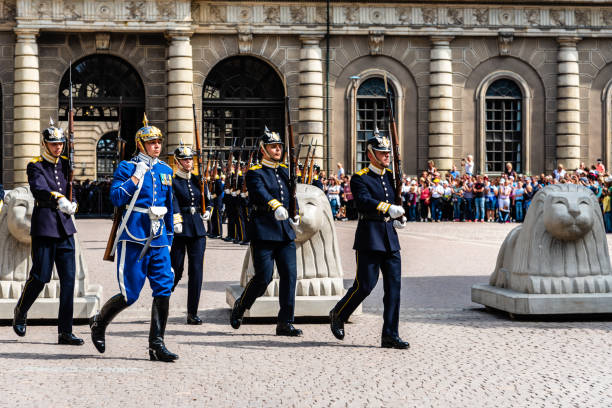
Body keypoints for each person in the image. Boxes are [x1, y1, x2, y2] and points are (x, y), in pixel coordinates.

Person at [89, 114, 181, 362]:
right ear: (140, 145)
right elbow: (117, 198)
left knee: (164, 289)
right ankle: (99, 322)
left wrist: (169, 237)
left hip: (158, 236)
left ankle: (157, 344)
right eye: (151, 143)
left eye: (159, 142)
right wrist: (135, 178)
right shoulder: (127, 168)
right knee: (130, 294)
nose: (157, 146)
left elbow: (169, 207)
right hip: (134, 235)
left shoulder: (165, 170)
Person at [328, 133, 409, 349]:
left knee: (394, 288)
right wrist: (387, 208)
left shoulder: (391, 176)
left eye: (388, 153)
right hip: (370, 236)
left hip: (390, 238)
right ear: (371, 154)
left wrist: (399, 217)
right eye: (382, 153)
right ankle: (339, 313)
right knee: (364, 285)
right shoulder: (360, 177)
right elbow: (363, 202)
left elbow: (396, 199)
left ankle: (390, 334)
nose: (386, 157)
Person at [13, 119, 82, 345]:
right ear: (44, 144)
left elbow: (71, 189)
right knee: (41, 276)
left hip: (65, 227)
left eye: (61, 143)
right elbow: (40, 189)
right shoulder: (35, 165)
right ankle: (21, 310)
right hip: (45, 226)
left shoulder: (65, 164)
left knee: (69, 280)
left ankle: (65, 331)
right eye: (53, 144)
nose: (58, 147)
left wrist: (73, 203)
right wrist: (59, 198)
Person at [230, 127, 302, 336]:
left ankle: (285, 322)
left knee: (290, 276)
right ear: (263, 149)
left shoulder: (284, 171)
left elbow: (291, 195)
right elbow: (259, 192)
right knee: (264, 277)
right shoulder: (255, 172)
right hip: (264, 229)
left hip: (284, 231)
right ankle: (242, 305)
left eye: (279, 146)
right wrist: (275, 206)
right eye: (273, 147)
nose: (278, 150)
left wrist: (293, 212)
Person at [170, 142, 212, 325]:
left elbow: (207, 199)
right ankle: (161, 301)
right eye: (185, 160)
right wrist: (176, 220)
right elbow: (172, 202)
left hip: (197, 229)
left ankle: (192, 312)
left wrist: (208, 210)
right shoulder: (172, 181)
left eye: (190, 159)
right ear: (177, 162)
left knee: (196, 271)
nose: (188, 163)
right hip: (181, 228)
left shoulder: (198, 180)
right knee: (176, 270)